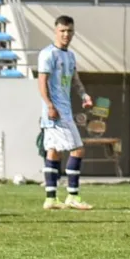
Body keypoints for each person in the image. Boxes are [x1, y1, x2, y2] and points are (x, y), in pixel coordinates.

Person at [38, 15, 93, 211]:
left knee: (53, 151)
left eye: (69, 31)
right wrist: (50, 105)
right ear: (55, 31)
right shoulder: (48, 54)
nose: (66, 34)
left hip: (64, 110)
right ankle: (73, 195)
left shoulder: (69, 56)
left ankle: (50, 198)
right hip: (57, 113)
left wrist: (84, 95)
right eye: (62, 31)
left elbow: (75, 80)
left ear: (73, 33)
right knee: (78, 149)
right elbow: (42, 82)